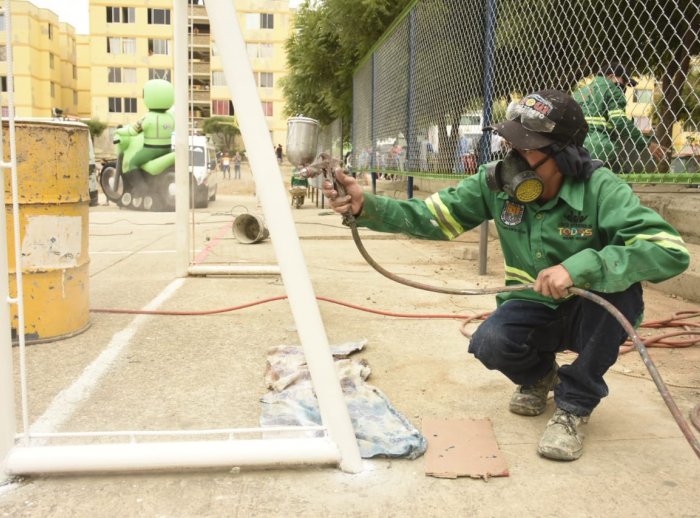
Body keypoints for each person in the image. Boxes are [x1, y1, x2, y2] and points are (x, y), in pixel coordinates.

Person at [322, 90, 689, 461]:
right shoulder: (494, 183)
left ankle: (574, 407)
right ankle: (541, 376)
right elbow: (434, 216)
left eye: (526, 148)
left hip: (589, 310)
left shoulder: (600, 188)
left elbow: (669, 250)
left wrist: (582, 266)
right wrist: (366, 205)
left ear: (562, 154)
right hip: (533, 303)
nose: (513, 157)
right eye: (510, 144)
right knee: (490, 342)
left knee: (620, 300)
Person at [572, 62, 664, 173]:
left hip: (576, 148)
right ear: (611, 76)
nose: (624, 87)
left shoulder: (580, 92)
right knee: (624, 177)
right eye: (623, 82)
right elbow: (620, 122)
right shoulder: (612, 89)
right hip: (601, 147)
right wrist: (646, 144)